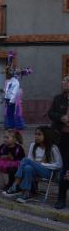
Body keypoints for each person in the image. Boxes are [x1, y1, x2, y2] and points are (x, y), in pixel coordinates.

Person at [3, 126, 62, 203]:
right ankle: (26, 193)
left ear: (46, 136)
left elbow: (59, 164)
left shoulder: (53, 148)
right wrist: (36, 164)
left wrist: (42, 164)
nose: (36, 136)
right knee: (28, 167)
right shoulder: (33, 145)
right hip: (34, 170)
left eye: (39, 134)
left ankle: (16, 184)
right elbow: (30, 161)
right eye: (35, 134)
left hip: (48, 172)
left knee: (25, 160)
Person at [46, 75, 69, 209]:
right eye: (64, 80)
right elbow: (50, 113)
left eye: (67, 80)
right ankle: (61, 198)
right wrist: (62, 117)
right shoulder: (58, 98)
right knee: (65, 168)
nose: (63, 82)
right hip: (62, 137)